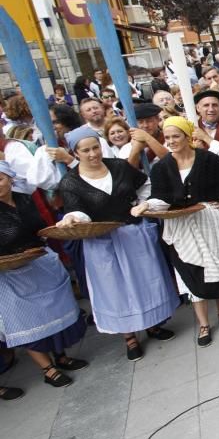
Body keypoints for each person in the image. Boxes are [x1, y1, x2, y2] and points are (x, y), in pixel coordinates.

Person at [52, 127, 177, 361]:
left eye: (95, 147)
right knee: (114, 289)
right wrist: (73, 218)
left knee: (145, 280)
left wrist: (144, 204)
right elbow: (76, 210)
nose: (92, 154)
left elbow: (144, 185)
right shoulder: (71, 182)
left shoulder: (118, 166)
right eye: (86, 150)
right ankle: (129, 337)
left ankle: (152, 324)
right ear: (75, 153)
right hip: (102, 243)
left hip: (132, 233)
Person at [133, 117, 219, 347]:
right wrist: (147, 205)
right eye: (167, 138)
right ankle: (203, 323)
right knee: (191, 271)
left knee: (217, 265)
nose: (171, 142)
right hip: (181, 226)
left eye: (175, 136)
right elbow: (160, 198)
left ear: (188, 137)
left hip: (210, 220)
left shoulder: (208, 159)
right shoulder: (161, 167)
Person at [0, 161, 89, 388]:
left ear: (10, 179)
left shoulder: (25, 200)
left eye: (0, 178)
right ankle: (47, 369)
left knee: (54, 310)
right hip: (10, 273)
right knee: (25, 320)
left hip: (39, 261)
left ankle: (61, 356)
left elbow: (39, 228)